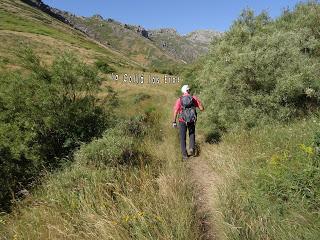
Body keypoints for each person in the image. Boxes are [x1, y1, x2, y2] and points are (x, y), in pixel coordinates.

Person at [172, 84, 204, 160]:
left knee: (182, 137)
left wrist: (174, 121)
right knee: (191, 134)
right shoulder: (193, 98)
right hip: (191, 120)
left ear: (183, 91)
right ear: (188, 90)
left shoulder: (179, 99)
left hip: (182, 120)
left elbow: (176, 111)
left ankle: (185, 155)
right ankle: (191, 148)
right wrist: (198, 102)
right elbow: (202, 109)